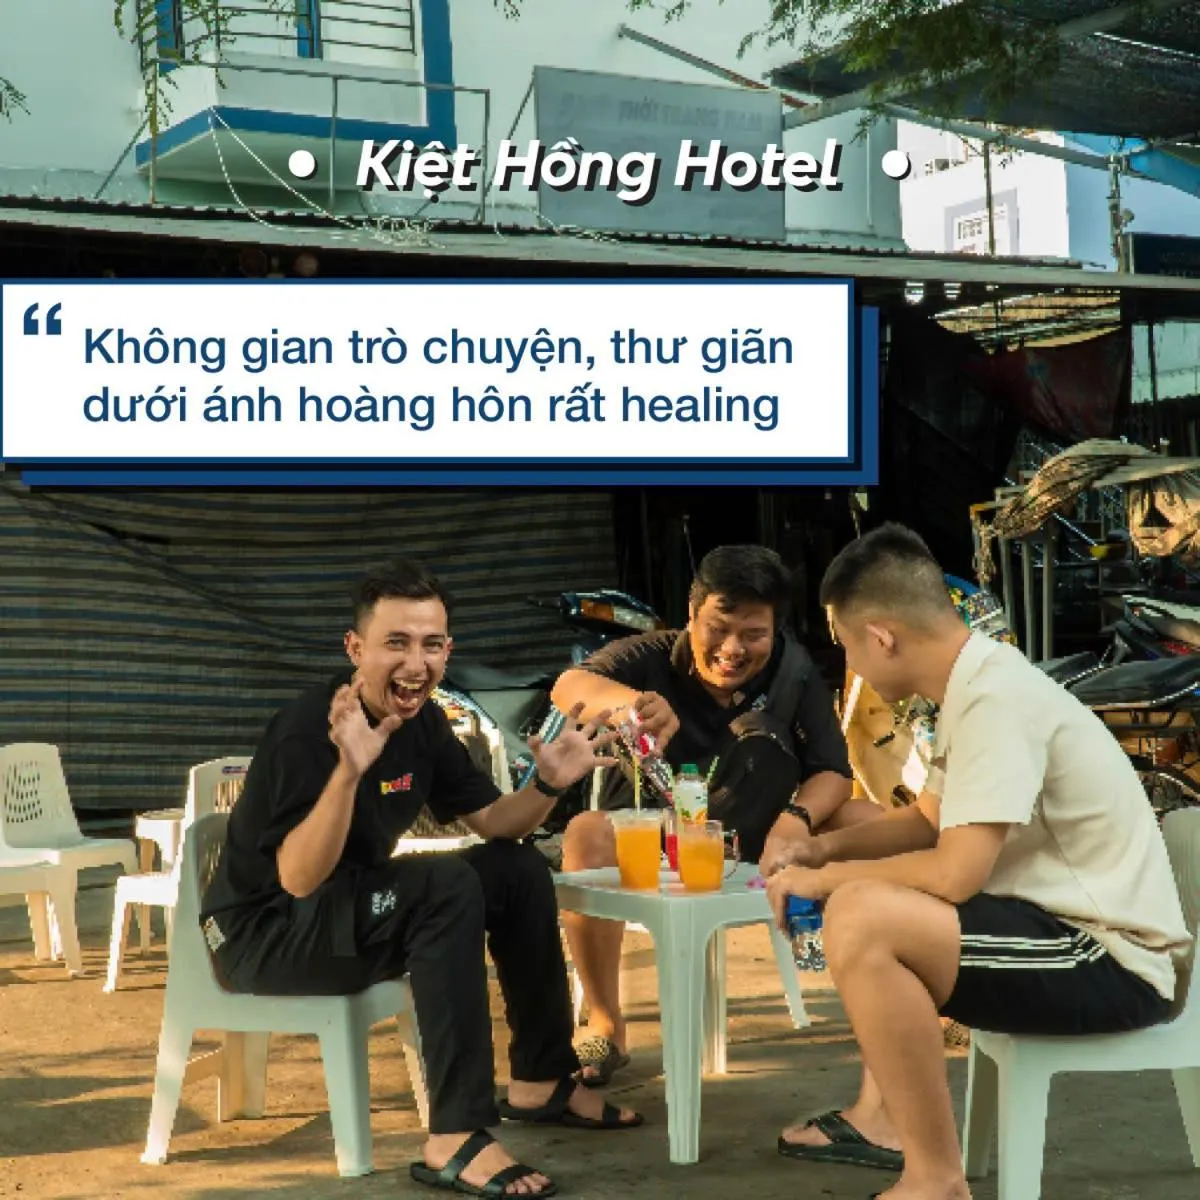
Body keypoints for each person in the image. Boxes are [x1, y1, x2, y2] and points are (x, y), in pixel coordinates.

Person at [766, 523, 1191, 1200]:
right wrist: (823, 846)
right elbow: (929, 820)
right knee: (863, 904)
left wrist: (822, 879)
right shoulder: (974, 685)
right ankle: (889, 1127)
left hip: (1110, 957)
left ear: (881, 637)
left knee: (864, 920)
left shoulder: (996, 698)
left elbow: (952, 873)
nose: (848, 664)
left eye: (844, 645)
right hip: (1054, 929)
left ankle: (934, 1179)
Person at [200, 560, 643, 1200]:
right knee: (443, 886)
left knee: (514, 866)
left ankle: (541, 1081)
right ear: (355, 649)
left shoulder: (426, 723)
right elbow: (297, 879)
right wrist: (349, 772)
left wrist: (548, 784)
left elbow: (495, 821)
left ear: (448, 650)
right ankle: (453, 1138)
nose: (416, 663)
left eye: (431, 644)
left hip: (349, 908)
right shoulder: (310, 731)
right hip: (264, 935)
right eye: (396, 643)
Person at [553, 544, 879, 1086]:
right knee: (586, 833)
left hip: (761, 837)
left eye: (753, 635)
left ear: (776, 630)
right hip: (658, 841)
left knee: (872, 823)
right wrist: (631, 707)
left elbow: (834, 773)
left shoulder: (794, 672)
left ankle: (936, 998)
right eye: (718, 628)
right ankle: (606, 1025)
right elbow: (569, 686)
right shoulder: (649, 656)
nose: (732, 649)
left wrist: (796, 817)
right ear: (692, 613)